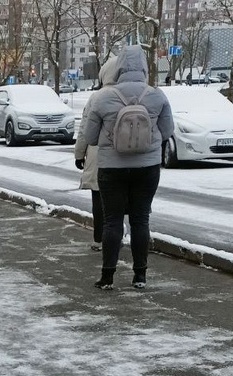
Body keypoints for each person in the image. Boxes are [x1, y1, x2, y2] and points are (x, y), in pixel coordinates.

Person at [84, 45, 174, 290]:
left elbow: (91, 137)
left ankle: (107, 276)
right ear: (144, 67)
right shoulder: (157, 96)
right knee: (140, 219)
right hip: (147, 168)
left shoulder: (102, 98)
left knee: (112, 221)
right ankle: (140, 275)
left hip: (111, 169)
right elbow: (167, 132)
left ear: (119, 67)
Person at [74, 55, 118, 252]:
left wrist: (79, 154)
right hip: (130, 156)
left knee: (99, 198)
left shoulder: (97, 97)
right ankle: (121, 235)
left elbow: (85, 129)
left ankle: (99, 238)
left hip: (99, 155)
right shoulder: (139, 93)